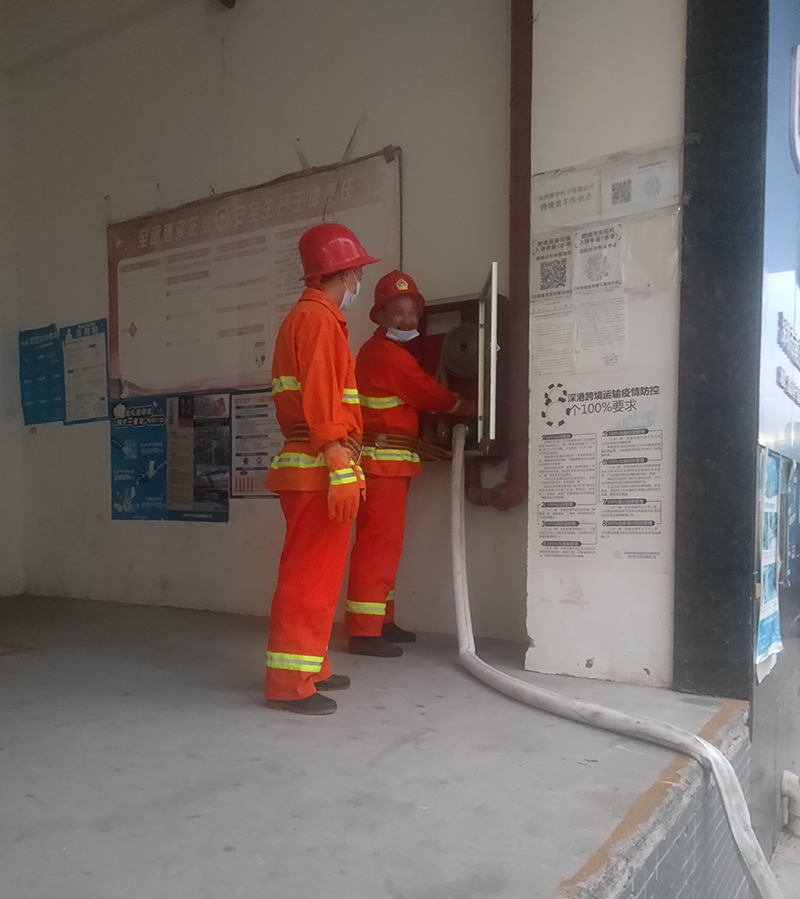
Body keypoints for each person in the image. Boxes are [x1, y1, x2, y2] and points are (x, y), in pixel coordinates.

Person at [264, 222, 379, 715]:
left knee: (320, 574)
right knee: (309, 576)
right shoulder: (317, 319)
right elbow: (323, 399)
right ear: (345, 272)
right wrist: (338, 462)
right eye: (357, 274)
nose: (358, 283)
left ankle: (312, 665)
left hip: (313, 462)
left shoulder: (316, 318)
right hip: (320, 464)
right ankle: (291, 683)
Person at [346, 270, 476, 657]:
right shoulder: (387, 355)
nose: (406, 320)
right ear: (380, 316)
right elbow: (426, 393)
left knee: (386, 546)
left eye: (412, 313)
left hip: (389, 463)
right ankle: (364, 632)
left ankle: (381, 622)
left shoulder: (383, 352)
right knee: (378, 546)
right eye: (398, 312)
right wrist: (467, 406)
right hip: (382, 465)